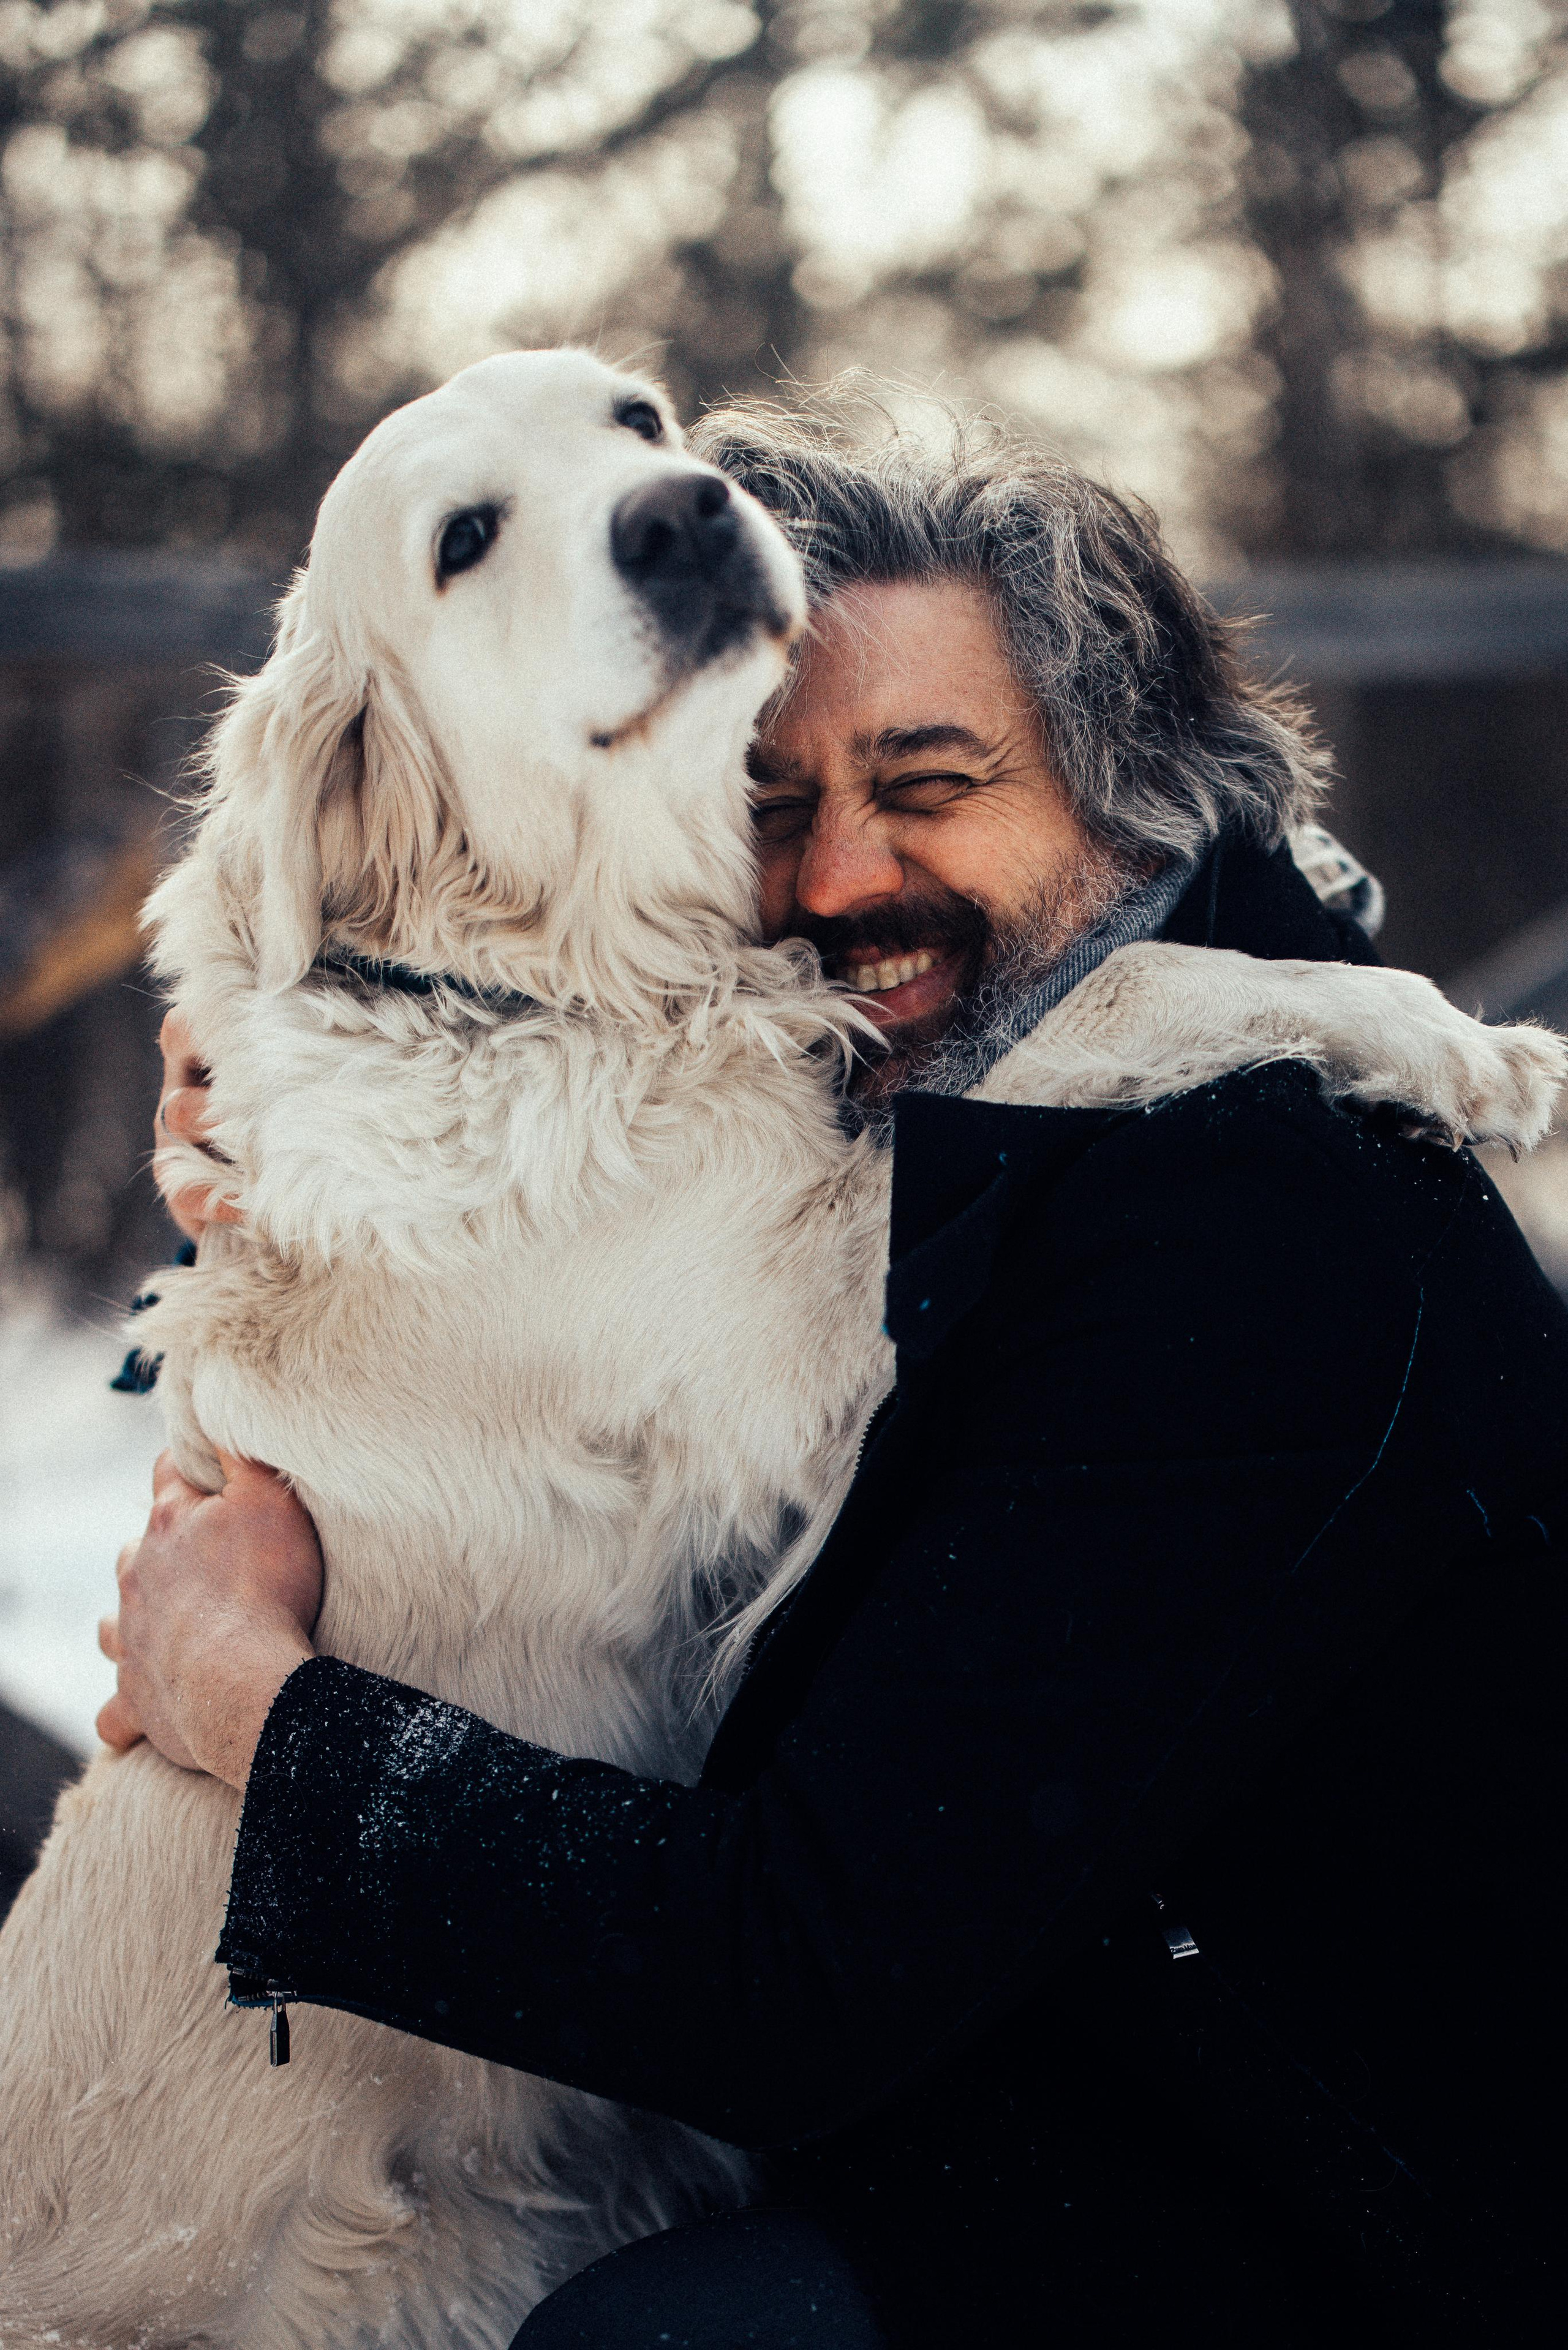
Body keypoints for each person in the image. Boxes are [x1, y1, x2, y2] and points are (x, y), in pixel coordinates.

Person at [101, 400, 1567, 2346]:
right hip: (1047, 2064)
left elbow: (791, 1977)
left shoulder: (1259, 1224)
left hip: (1337, 2224)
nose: (834, 885)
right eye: (767, 802)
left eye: (932, 783)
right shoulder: (974, 1089)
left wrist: (259, 1712)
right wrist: (294, 1096)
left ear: (1141, 804)